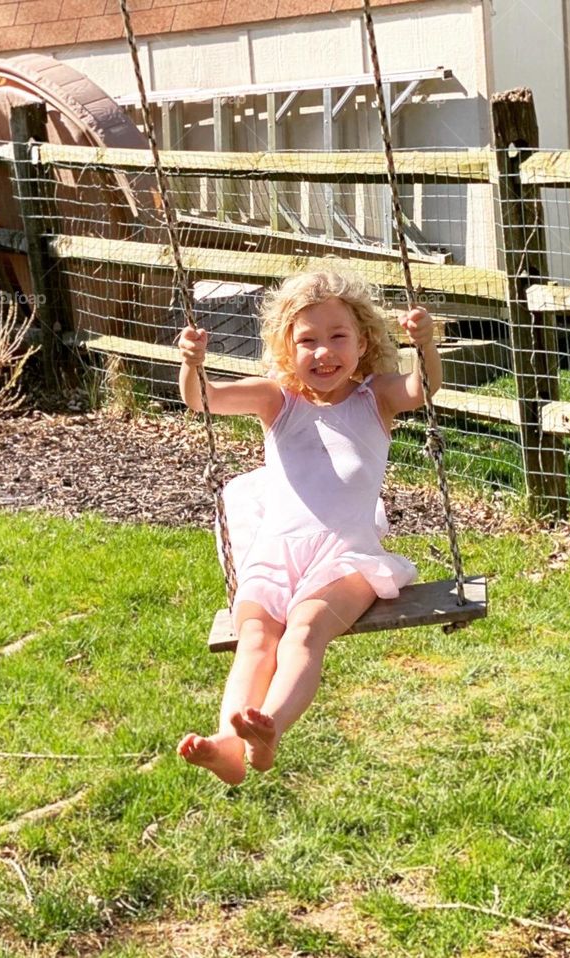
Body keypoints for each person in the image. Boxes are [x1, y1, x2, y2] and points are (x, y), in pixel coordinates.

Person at [176, 269, 441, 784]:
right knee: (255, 638)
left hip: (346, 558)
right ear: (286, 348)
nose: (324, 353)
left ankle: (268, 729)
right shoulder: (277, 400)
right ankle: (230, 747)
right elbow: (202, 399)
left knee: (304, 633)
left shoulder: (376, 398)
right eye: (308, 341)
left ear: (362, 341)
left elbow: (423, 388)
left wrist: (425, 345)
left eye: (338, 337)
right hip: (276, 552)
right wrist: (192, 365)